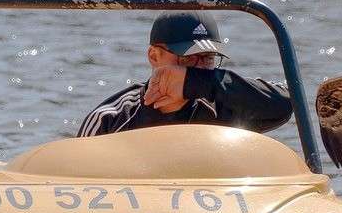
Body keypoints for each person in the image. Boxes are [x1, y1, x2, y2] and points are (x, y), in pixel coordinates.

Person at [77, 11, 293, 137]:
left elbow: (286, 104)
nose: (198, 69)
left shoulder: (226, 105)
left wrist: (198, 83)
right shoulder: (111, 118)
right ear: (154, 56)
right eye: (187, 58)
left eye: (207, 58)